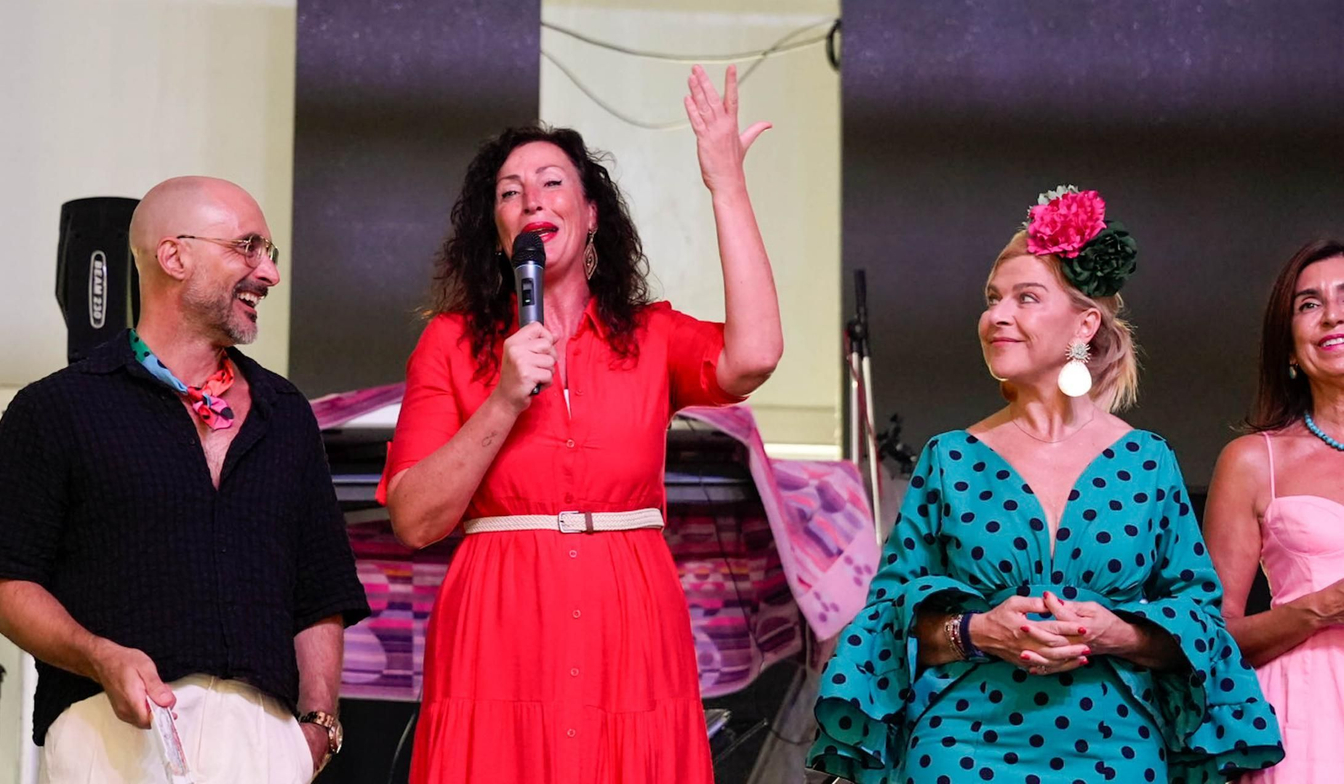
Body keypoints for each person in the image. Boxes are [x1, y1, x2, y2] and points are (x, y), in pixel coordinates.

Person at [378, 66, 783, 784]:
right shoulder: (451, 341)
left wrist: (727, 185)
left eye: (552, 182)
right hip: (498, 623)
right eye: (510, 192)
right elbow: (412, 518)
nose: (531, 197)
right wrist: (503, 399)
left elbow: (755, 354)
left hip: (629, 615)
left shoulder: (651, 335)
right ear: (498, 229)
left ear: (591, 213)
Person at [809, 187, 1282, 784]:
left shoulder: (1147, 460)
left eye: (1025, 298)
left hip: (1118, 751)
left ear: (1084, 322)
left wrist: (1120, 633)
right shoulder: (950, 458)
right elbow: (888, 624)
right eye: (991, 300)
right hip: (959, 748)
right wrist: (979, 630)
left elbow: (1200, 629)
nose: (996, 316)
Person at [0, 176, 368, 784]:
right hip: (111, 735)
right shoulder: (58, 408)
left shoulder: (286, 414)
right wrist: (98, 656)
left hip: (266, 742)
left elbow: (321, 594)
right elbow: (2, 584)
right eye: (247, 247)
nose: (270, 273)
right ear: (174, 256)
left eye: (269, 253)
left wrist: (316, 728)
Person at [1204, 238, 1344, 784]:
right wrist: (1321, 607)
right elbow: (1209, 638)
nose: (1332, 314)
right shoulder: (1251, 461)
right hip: (1302, 715)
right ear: (1288, 347)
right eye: (1308, 304)